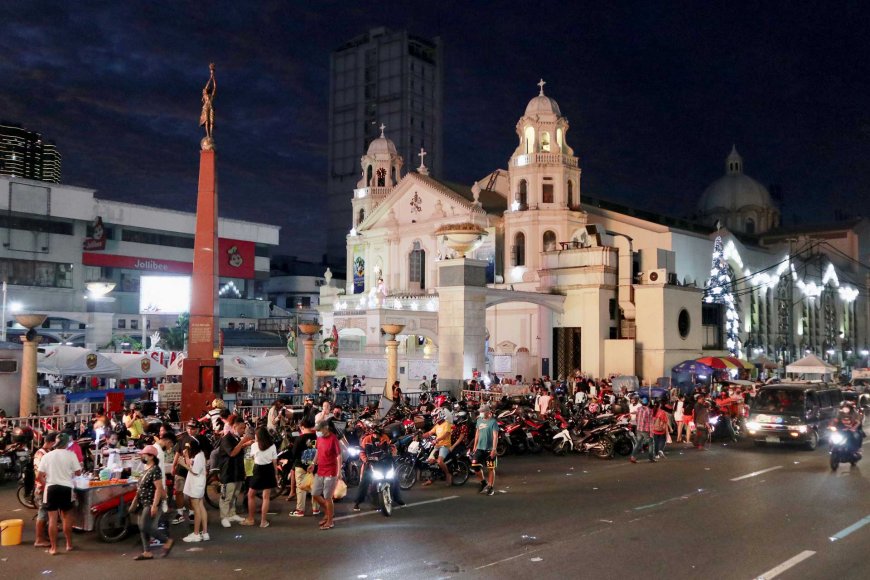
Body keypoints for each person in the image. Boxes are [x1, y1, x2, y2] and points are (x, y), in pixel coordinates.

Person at [37, 433, 81, 555]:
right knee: (66, 518)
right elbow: (78, 473)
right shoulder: (71, 455)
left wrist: (46, 484)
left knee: (52, 519)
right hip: (66, 489)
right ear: (67, 443)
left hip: (51, 489)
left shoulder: (47, 456)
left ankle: (54, 548)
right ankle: (69, 544)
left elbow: (38, 476)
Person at [133, 445, 174, 560]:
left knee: (144, 525)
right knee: (142, 527)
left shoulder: (155, 469)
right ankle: (147, 552)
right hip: (143, 502)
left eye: (144, 455)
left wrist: (155, 505)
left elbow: (159, 488)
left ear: (151, 457)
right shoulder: (146, 468)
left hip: (150, 502)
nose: (141, 456)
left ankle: (167, 541)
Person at [353, 423, 404, 511]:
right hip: (371, 463)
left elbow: (389, 449)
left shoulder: (385, 438)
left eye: (378, 434)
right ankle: (358, 502)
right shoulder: (366, 439)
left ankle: (398, 499)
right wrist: (366, 460)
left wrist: (393, 454)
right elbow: (362, 452)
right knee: (364, 481)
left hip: (384, 462)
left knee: (394, 478)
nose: (376, 436)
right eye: (375, 433)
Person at [219, 418, 252, 528]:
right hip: (228, 472)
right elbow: (232, 453)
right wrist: (243, 442)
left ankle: (232, 514)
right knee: (226, 496)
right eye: (241, 428)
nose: (243, 430)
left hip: (238, 471)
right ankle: (224, 517)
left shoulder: (237, 438)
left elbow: (237, 450)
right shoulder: (226, 439)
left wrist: (243, 444)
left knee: (235, 495)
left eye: (244, 428)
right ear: (234, 427)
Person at [309, 421, 341, 530]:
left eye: (319, 430)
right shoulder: (319, 438)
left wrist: (339, 472)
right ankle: (328, 512)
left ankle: (330, 521)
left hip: (331, 471)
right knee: (315, 493)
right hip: (320, 470)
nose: (317, 432)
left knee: (327, 497)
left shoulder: (333, 439)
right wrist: (313, 463)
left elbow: (338, 456)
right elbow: (318, 451)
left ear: (326, 428)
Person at [245, 427, 278, 527]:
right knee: (266, 497)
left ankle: (251, 519)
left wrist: (247, 472)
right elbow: (274, 462)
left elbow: (250, 458)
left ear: (258, 436)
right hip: (268, 470)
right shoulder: (272, 445)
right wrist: (276, 474)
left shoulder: (254, 445)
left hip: (257, 470)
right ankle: (263, 522)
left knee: (251, 495)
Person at [179, 437, 209, 542]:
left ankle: (196, 534)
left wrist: (183, 464)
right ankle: (205, 532)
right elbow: (192, 465)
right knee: (201, 507)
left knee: (197, 509)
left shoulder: (199, 456)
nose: (188, 450)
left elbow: (194, 471)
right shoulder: (199, 455)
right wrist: (186, 456)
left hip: (196, 485)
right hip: (198, 485)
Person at [171, 421, 199, 525]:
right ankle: (179, 513)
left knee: (192, 493)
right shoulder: (182, 439)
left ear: (197, 429)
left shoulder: (200, 440)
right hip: (181, 469)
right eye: (188, 428)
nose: (190, 430)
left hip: (193, 469)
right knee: (179, 491)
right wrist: (173, 466)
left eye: (193, 428)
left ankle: (192, 513)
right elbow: (177, 453)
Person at [32, 431, 57, 548]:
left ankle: (43, 535)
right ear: (52, 442)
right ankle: (39, 539)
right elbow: (38, 475)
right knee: (42, 513)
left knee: (45, 513)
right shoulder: (41, 454)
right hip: (42, 488)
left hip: (46, 486)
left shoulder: (47, 453)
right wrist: (46, 486)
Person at [289, 418, 318, 518]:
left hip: (301, 466)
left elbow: (294, 453)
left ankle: (300, 510)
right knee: (314, 488)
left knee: (301, 488)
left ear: (302, 427)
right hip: (314, 466)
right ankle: (316, 509)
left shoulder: (299, 438)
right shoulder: (317, 437)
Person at [471, 405, 499, 496]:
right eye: (480, 411)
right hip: (479, 448)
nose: (481, 413)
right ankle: (483, 483)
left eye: (483, 411)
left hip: (489, 449)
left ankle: (490, 487)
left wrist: (494, 449)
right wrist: (474, 446)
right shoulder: (479, 420)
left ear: (488, 412)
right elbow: (477, 434)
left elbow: (495, 436)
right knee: (475, 465)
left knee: (491, 468)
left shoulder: (493, 422)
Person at [422, 410, 453, 486]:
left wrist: (437, 439)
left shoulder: (447, 424)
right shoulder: (437, 425)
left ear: (440, 415)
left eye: (435, 416)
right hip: (437, 445)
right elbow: (430, 433)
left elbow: (446, 434)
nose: (434, 418)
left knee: (439, 461)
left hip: (445, 445)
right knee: (429, 461)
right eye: (434, 416)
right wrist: (421, 435)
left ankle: (448, 475)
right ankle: (432, 478)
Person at [630, 397, 655, 463]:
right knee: (650, 443)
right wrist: (652, 432)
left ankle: (633, 456)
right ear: (648, 403)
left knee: (638, 443)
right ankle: (650, 458)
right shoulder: (649, 411)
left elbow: (637, 418)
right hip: (646, 429)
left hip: (639, 428)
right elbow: (651, 422)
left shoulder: (638, 409)